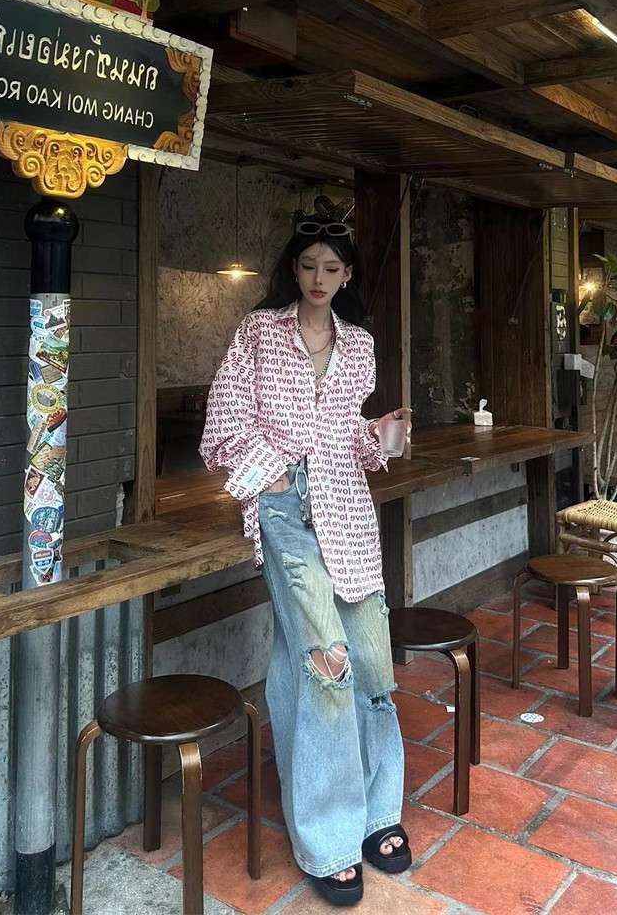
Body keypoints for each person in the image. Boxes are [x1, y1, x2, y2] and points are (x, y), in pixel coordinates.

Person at [199, 218, 412, 907]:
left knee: (370, 663)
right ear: (294, 269)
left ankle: (377, 810)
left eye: (332, 268)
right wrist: (272, 474)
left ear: (347, 277)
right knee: (325, 656)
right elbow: (223, 420)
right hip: (286, 511)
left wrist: (381, 437)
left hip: (348, 508)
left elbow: (350, 438)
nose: (319, 278)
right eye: (309, 265)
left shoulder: (361, 347)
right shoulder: (259, 333)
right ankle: (328, 838)